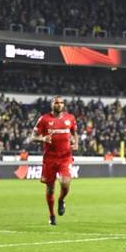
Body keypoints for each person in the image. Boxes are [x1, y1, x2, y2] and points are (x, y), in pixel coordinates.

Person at [31, 96, 78, 225]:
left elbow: (74, 132)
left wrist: (76, 143)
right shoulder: (44, 119)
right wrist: (42, 139)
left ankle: (61, 200)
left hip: (65, 157)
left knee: (65, 183)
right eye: (56, 102)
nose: (59, 105)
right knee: (50, 188)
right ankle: (52, 215)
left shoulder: (70, 118)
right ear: (52, 104)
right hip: (50, 158)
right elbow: (32, 137)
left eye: (61, 103)